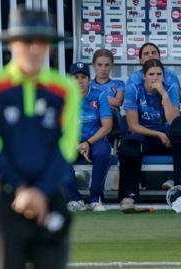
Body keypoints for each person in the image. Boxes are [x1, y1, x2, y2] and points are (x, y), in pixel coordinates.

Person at [0, 8, 80, 269]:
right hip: (6, 196)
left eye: (41, 42)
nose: (34, 49)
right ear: (11, 43)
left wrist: (40, 191)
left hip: (50, 192)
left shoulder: (64, 88)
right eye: (26, 41)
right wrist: (21, 188)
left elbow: (65, 147)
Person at [118, 59, 181, 211]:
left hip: (166, 134)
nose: (155, 77)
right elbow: (133, 126)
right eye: (151, 74)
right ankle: (129, 196)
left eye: (159, 74)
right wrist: (158, 134)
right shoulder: (134, 88)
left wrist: (164, 95)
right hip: (144, 133)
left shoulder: (170, 88)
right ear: (144, 76)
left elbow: (174, 120)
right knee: (129, 144)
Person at [66, 62, 112, 212]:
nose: (80, 81)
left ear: (88, 79)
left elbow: (107, 126)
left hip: (95, 139)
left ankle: (95, 198)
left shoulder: (99, 95)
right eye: (76, 77)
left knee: (103, 152)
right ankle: (74, 199)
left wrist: (87, 142)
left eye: (83, 77)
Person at [90, 49, 125, 143]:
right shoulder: (87, 84)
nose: (103, 69)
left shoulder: (119, 84)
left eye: (107, 65)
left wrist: (95, 98)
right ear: (94, 66)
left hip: (113, 120)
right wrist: (108, 99)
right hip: (90, 119)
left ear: (112, 66)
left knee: (108, 112)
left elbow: (118, 102)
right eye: (99, 65)